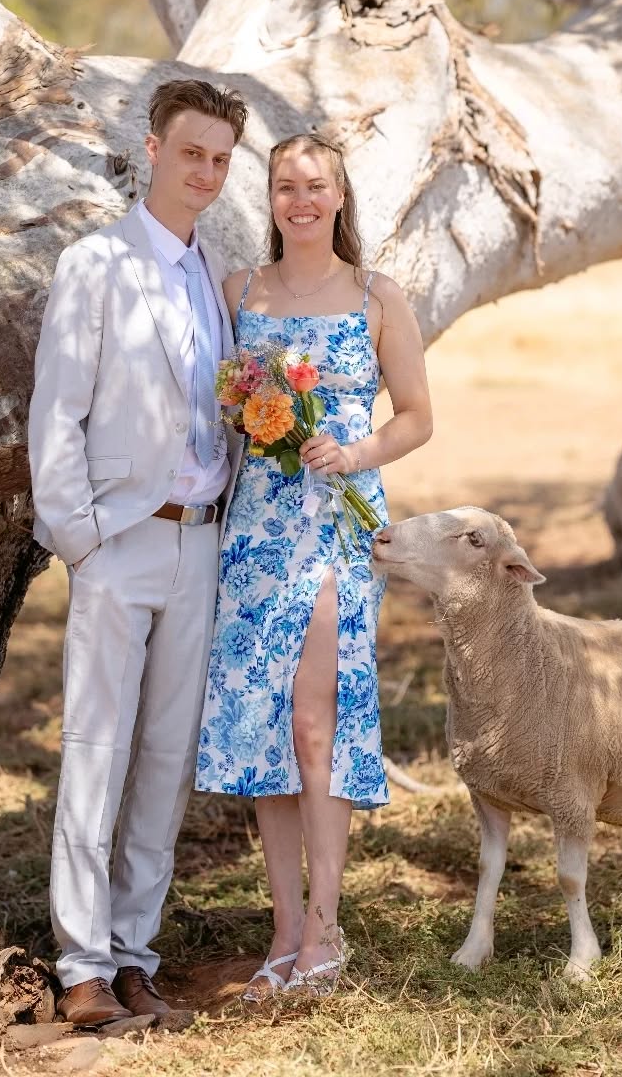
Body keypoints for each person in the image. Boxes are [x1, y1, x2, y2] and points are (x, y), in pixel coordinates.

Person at [27, 78, 247, 1026]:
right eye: (191, 152)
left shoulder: (216, 272)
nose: (206, 172)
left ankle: (132, 955)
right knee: (97, 748)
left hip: (202, 546)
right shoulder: (96, 263)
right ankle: (79, 965)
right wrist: (82, 540)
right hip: (120, 540)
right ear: (152, 150)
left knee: (164, 756)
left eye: (221, 159)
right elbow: (57, 414)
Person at [195, 132, 433, 1001]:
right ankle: (284, 929)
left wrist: (358, 450)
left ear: (339, 198)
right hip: (255, 533)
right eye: (285, 186)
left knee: (312, 723)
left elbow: (416, 417)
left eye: (316, 186)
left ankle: (328, 929)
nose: (301, 199)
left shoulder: (378, 296)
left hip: (335, 527)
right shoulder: (237, 293)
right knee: (264, 729)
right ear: (270, 199)